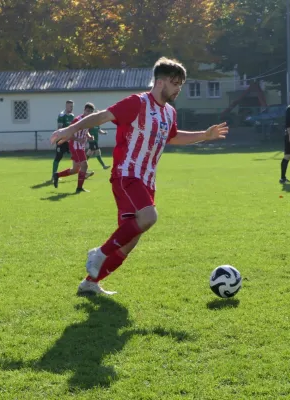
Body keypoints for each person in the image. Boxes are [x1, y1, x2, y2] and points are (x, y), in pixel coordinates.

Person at [50, 57, 228, 295]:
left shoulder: (170, 113)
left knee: (130, 241)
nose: (178, 89)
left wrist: (204, 136)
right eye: (175, 83)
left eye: (181, 85)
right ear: (161, 81)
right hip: (126, 175)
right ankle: (99, 253)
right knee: (149, 217)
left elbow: (173, 137)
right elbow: (102, 116)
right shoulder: (137, 103)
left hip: (147, 181)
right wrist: (70, 129)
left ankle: (90, 283)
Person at [53, 102, 96, 193]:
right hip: (75, 145)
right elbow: (69, 133)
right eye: (87, 111)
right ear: (84, 110)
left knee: (75, 170)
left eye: (91, 111)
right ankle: (79, 188)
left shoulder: (89, 120)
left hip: (80, 145)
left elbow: (86, 131)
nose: (89, 113)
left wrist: (89, 136)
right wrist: (78, 139)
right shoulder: (77, 120)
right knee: (84, 165)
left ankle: (57, 175)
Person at [51, 100, 75, 181]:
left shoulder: (72, 116)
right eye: (70, 106)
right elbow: (59, 129)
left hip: (69, 140)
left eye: (72, 106)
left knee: (77, 154)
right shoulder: (62, 115)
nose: (72, 108)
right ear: (66, 106)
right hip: (61, 140)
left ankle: (82, 172)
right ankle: (53, 176)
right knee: (58, 157)